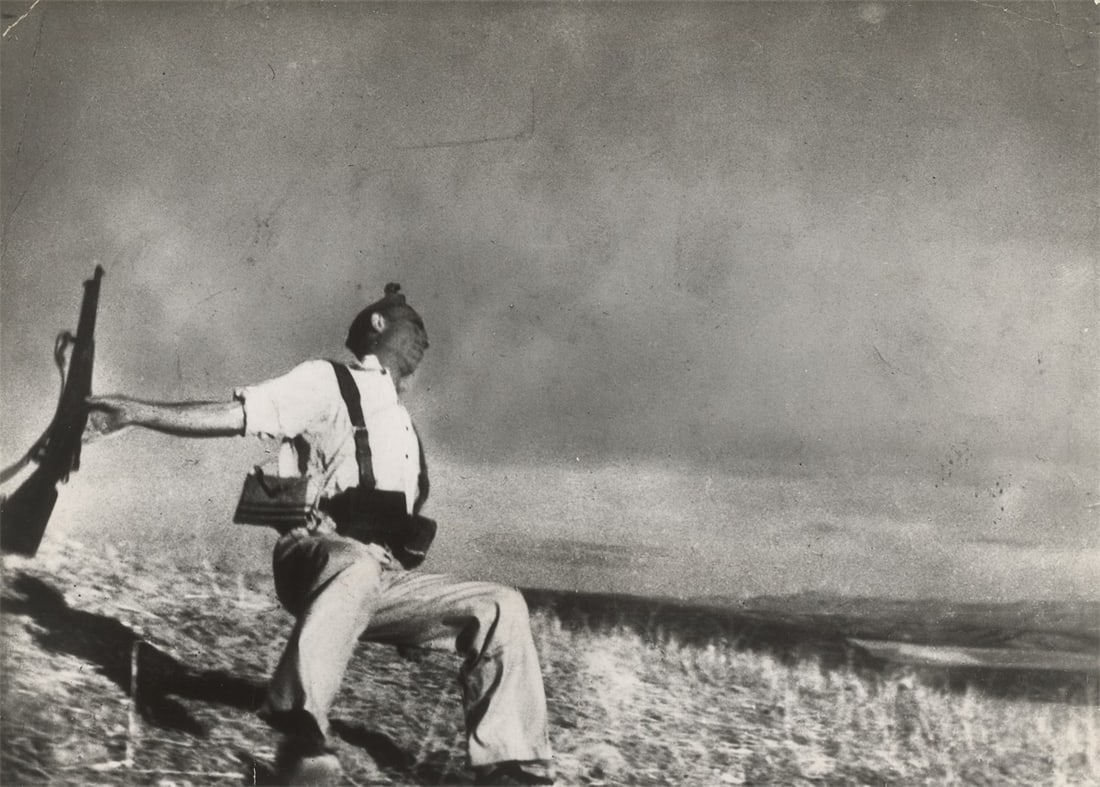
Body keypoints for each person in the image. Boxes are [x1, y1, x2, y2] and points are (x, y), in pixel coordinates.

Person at [86, 283, 554, 785]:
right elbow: (236, 415)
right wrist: (137, 413)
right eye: (417, 327)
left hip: (379, 577)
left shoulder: (405, 429)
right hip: (314, 555)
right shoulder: (328, 381)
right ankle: (301, 735)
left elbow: (401, 531)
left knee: (501, 604)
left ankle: (512, 767)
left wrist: (418, 619)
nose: (426, 341)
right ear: (379, 324)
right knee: (354, 563)